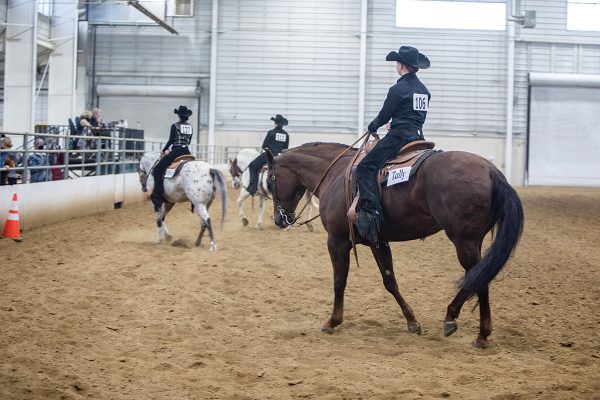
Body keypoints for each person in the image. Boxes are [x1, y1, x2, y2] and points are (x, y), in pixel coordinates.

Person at [354, 45, 431, 245]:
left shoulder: (397, 89)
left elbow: (384, 114)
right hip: (418, 137)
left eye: (397, 63)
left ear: (402, 65)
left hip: (399, 138)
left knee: (365, 167)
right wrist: (397, 121)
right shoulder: (424, 91)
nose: (396, 66)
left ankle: (371, 213)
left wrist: (373, 126)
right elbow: (414, 116)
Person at [151, 105, 194, 209]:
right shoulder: (190, 127)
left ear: (178, 115)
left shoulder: (175, 125)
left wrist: (164, 150)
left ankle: (159, 194)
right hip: (187, 151)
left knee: (157, 169)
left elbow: (171, 140)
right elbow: (189, 141)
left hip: (176, 151)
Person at [246, 114, 290, 195]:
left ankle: (253, 188)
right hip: (280, 157)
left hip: (269, 155)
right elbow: (285, 148)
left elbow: (264, 145)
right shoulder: (286, 135)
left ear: (275, 123)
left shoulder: (271, 132)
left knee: (252, 166)